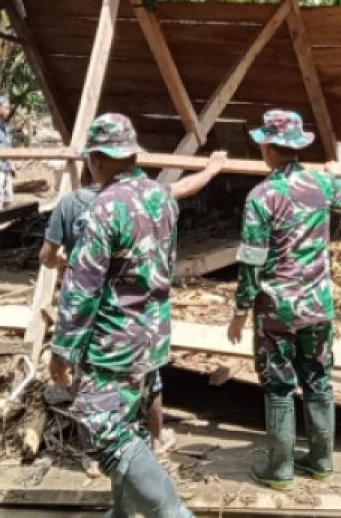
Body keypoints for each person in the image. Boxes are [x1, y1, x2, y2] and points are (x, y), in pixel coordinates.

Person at [39, 150, 229, 460]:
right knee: (148, 378)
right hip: (149, 322)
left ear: (93, 164)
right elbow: (185, 187)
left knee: (99, 405)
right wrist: (212, 169)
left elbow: (60, 270)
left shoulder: (77, 205)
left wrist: (63, 348)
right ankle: (155, 440)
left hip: (105, 326)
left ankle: (100, 459)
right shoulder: (154, 196)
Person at [49, 114, 193, 518]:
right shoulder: (162, 198)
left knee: (103, 423)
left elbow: (81, 290)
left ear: (95, 159)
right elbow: (165, 264)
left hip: (114, 341)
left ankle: (172, 513)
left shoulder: (103, 208)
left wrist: (62, 349)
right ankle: (123, 512)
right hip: (153, 332)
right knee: (128, 420)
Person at [226, 110, 341, 490]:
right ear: (297, 146)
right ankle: (321, 461)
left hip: (276, 309)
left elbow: (251, 258)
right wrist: (334, 171)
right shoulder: (322, 185)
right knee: (319, 379)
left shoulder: (261, 197)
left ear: (267, 146)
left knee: (279, 385)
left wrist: (240, 310)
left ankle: (279, 468)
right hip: (317, 305)